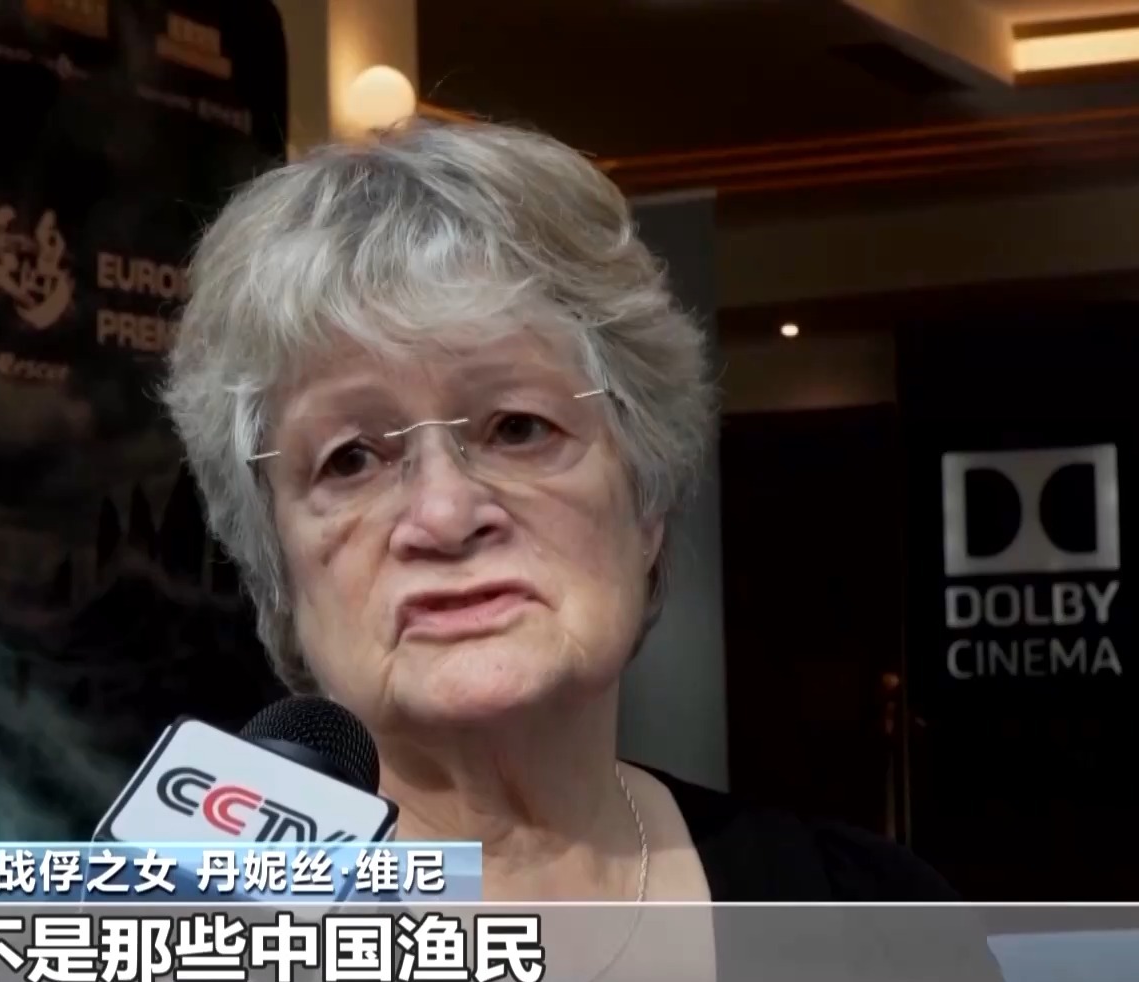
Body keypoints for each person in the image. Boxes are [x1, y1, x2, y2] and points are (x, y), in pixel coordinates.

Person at [161, 118, 960, 906]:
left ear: (645, 501)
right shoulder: (173, 934)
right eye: (352, 459)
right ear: (275, 563)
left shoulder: (877, 915)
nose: (445, 516)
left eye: (517, 428)